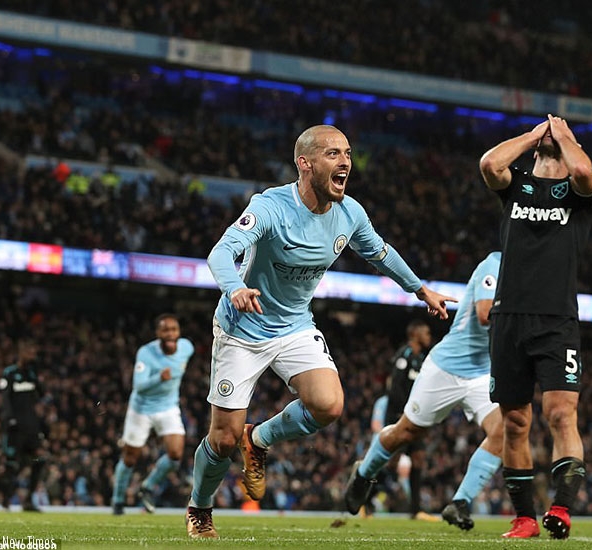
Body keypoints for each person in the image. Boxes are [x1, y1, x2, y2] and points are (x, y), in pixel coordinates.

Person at [186, 124, 455, 539]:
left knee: (329, 405)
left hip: (295, 325)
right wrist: (235, 287)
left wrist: (420, 289)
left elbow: (381, 253)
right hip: (243, 326)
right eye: (333, 154)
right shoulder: (271, 206)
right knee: (221, 439)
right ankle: (200, 509)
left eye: (347, 153)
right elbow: (222, 251)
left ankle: (258, 439)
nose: (345, 161)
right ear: (304, 164)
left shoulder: (350, 213)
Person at [479, 114, 592, 539]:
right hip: (509, 316)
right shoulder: (515, 186)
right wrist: (533, 136)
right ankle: (525, 518)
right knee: (514, 421)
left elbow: (584, 171)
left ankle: (562, 508)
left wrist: (565, 137)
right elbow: (489, 165)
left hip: (556, 320)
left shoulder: (580, 193)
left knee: (561, 413)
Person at [345, 251, 504, 532]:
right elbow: (484, 314)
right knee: (405, 432)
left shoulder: (529, 277)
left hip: (482, 373)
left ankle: (461, 502)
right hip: (447, 366)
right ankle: (363, 473)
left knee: (504, 432)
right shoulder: (495, 264)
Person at [112, 313, 194, 515]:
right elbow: (138, 386)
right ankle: (118, 500)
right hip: (141, 409)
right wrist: (159, 377)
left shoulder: (186, 347)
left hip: (168, 407)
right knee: (130, 458)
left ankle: (147, 486)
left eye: (173, 329)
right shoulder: (146, 353)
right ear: (158, 333)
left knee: (175, 454)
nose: (170, 334)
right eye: (165, 330)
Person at [365, 319, 436, 520]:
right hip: (399, 418)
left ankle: (416, 510)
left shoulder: (421, 359)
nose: (429, 336)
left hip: (415, 418)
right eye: (426, 332)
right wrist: (400, 415)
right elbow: (394, 389)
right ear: (415, 334)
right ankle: (366, 500)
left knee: (419, 458)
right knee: (390, 462)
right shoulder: (403, 356)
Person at [0, 338, 45, 511]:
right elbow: (4, 399)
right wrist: (9, 420)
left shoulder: (31, 374)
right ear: (21, 353)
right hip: (15, 428)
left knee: (39, 460)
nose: (33, 355)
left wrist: (36, 375)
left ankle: (27, 500)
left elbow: (41, 394)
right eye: (30, 352)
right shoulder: (9, 373)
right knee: (11, 465)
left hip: (31, 428)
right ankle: (5, 499)